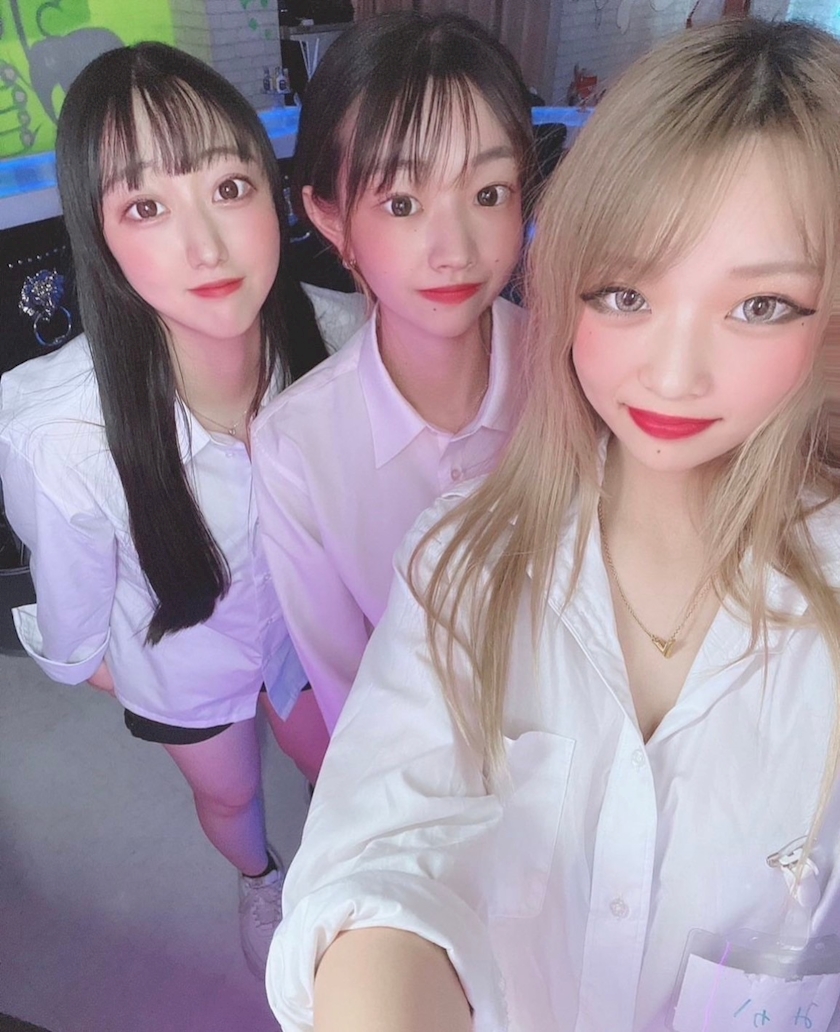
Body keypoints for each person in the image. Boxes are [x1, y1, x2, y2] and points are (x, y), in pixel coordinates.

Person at [266, 17, 840, 1032]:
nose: (673, 375)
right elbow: (381, 837)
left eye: (761, 306)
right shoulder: (439, 547)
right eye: (624, 294)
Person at [0, 42, 362, 977]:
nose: (205, 245)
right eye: (146, 207)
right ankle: (261, 879)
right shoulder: (61, 431)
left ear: (275, 195)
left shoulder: (343, 337)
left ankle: (349, 863)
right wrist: (172, 682)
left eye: (229, 188)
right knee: (231, 798)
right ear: (100, 236)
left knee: (338, 763)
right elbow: (78, 643)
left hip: (310, 631)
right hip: (181, 658)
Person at [251, 11, 536, 733]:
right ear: (332, 219)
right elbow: (348, 690)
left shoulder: (580, 376)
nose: (455, 250)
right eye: (402, 203)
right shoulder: (296, 447)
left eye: (489, 193)